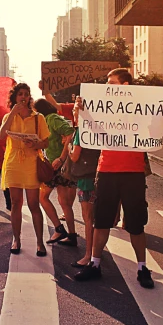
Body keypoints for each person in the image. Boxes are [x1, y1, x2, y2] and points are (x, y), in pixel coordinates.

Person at [75, 68, 155, 289]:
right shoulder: (103, 108)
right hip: (107, 170)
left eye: (112, 83)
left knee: (136, 224)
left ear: (126, 86)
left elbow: (155, 130)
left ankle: (142, 268)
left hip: (133, 172)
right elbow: (87, 127)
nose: (108, 87)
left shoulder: (141, 109)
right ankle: (95, 264)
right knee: (101, 222)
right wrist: (81, 112)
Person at [0, 83, 50, 256]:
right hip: (13, 162)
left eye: (26, 94)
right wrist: (13, 113)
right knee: (15, 203)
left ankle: (39, 242)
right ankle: (16, 239)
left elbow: (46, 142)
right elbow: (1, 135)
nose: (23, 97)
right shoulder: (9, 116)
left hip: (31, 162)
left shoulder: (38, 117)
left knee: (34, 204)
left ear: (29, 97)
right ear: (14, 97)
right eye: (20, 94)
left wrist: (35, 143)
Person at [33, 98, 78, 246]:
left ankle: (60, 229)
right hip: (55, 166)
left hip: (59, 166)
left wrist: (61, 157)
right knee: (63, 201)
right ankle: (71, 235)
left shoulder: (52, 118)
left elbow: (71, 133)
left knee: (43, 197)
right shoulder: (45, 120)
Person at [68, 102, 101, 268]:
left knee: (88, 219)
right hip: (98, 175)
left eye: (75, 110)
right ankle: (95, 253)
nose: (73, 113)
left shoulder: (82, 131)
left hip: (85, 179)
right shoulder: (99, 128)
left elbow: (74, 156)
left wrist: (67, 146)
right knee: (95, 218)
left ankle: (89, 255)